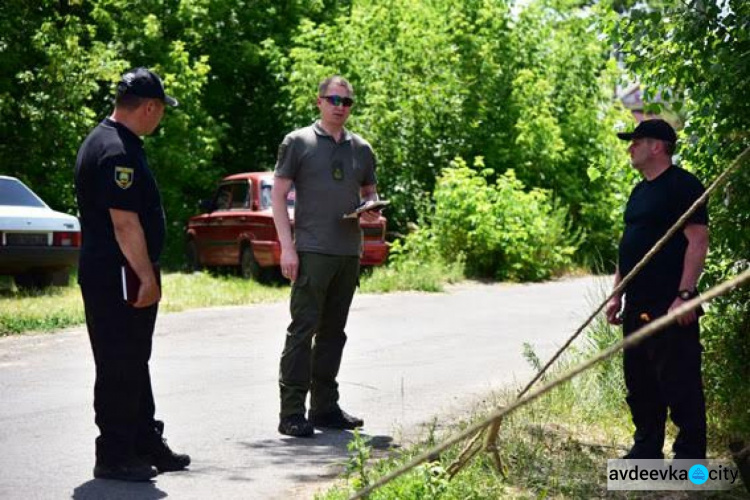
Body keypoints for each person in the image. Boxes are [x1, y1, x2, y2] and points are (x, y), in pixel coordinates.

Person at [74, 67, 190, 481]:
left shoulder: (113, 141)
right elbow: (124, 223)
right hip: (118, 274)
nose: (160, 118)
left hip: (118, 271)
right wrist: (146, 276)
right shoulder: (116, 151)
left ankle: (143, 439)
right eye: (161, 111)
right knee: (118, 361)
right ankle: (114, 454)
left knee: (134, 359)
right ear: (149, 107)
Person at [272, 75, 380, 437]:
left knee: (334, 332)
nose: (340, 106)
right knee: (302, 330)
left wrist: (371, 212)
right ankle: (291, 413)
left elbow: (370, 195)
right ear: (319, 101)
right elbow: (279, 196)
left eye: (346, 102)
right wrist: (287, 247)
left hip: (348, 250)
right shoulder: (298, 142)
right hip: (311, 249)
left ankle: (324, 408)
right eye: (333, 99)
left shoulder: (361, 149)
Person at [605, 119, 709, 460]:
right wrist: (616, 293)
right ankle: (647, 449)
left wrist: (684, 296)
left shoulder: (684, 186)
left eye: (636, 141)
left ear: (657, 146)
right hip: (636, 302)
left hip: (670, 303)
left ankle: (690, 459)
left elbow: (697, 241)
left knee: (679, 383)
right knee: (640, 382)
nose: (630, 147)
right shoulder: (639, 192)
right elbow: (629, 247)